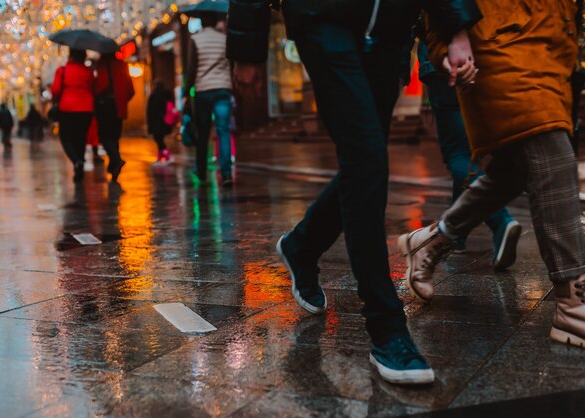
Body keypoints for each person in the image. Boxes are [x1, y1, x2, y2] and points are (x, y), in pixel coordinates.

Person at [228, 0, 481, 385]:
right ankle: (386, 326)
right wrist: (248, 44)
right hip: (321, 16)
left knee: (366, 162)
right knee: (366, 159)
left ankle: (303, 244)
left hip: (392, 27)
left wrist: (456, 27)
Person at [399, 0, 585, 350]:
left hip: (551, 39)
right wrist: (450, 35)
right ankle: (573, 303)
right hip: (494, 36)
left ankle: (433, 240)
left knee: (514, 170)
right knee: (551, 156)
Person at [416, 41, 521, 268]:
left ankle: (500, 220)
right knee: (465, 152)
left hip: (442, 60)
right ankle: (456, 235)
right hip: (482, 58)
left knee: (456, 153)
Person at [186, 12, 234, 187]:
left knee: (203, 131)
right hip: (223, 88)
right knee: (223, 131)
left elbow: (192, 69)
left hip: (203, 90)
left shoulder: (196, 39)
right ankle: (227, 173)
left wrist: (186, 91)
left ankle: (201, 170)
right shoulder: (224, 38)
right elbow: (231, 62)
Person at [51, 48, 95, 183]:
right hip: (86, 108)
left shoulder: (62, 70)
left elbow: (55, 90)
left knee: (66, 137)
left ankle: (77, 161)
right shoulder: (88, 71)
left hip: (68, 108)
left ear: (70, 55)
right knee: (80, 138)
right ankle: (79, 167)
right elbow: (93, 87)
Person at [95, 53, 135, 182]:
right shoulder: (122, 65)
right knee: (114, 137)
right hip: (119, 107)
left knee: (105, 137)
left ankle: (116, 160)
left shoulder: (101, 65)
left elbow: (101, 85)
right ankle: (113, 169)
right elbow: (131, 90)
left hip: (105, 107)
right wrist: (122, 100)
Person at [146, 80, 174, 163]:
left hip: (157, 123)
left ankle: (167, 155)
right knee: (159, 139)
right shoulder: (165, 95)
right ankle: (160, 157)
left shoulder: (155, 96)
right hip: (163, 122)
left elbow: (152, 111)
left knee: (158, 139)